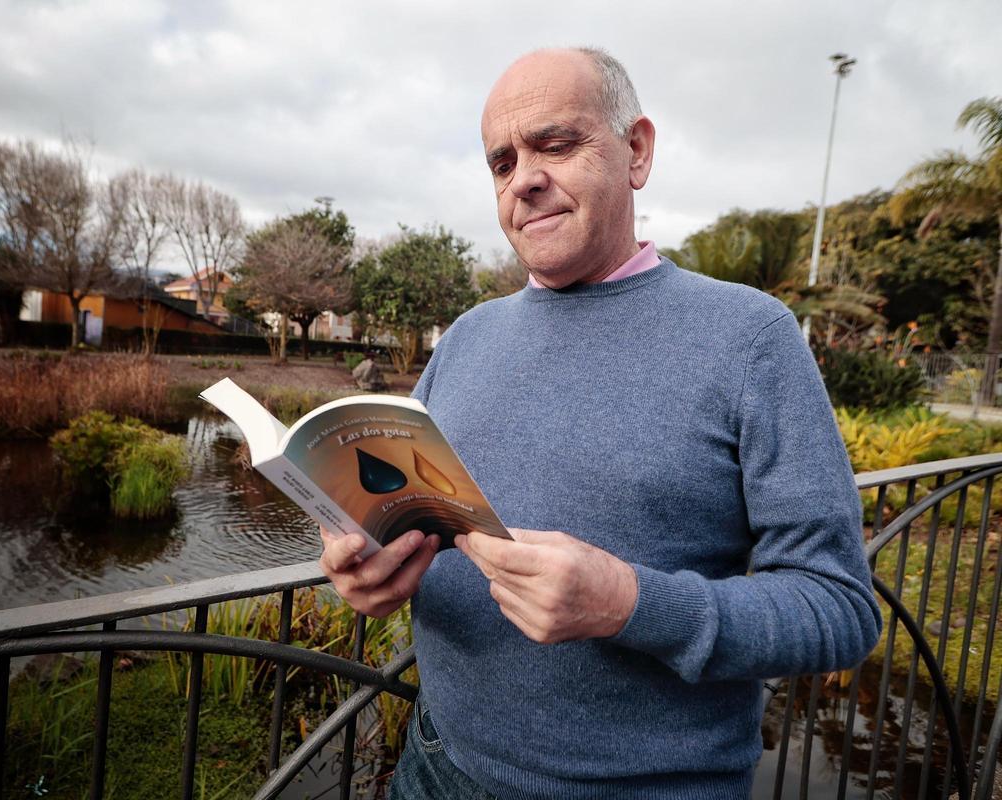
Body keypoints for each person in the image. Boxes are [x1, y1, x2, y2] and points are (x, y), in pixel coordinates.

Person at [319, 46, 882, 799]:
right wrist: (363, 563)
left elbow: (838, 607)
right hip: (434, 762)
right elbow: (407, 507)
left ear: (636, 152)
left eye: (556, 144)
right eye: (501, 162)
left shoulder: (750, 338)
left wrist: (630, 604)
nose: (524, 178)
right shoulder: (465, 339)